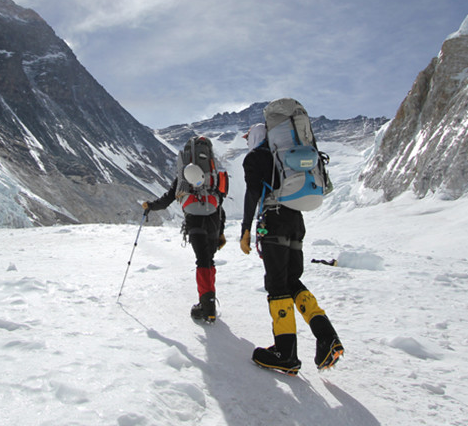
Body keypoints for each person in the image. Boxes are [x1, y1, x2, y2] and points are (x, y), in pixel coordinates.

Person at [240, 122, 344, 374]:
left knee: (277, 285)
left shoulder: (256, 156)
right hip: (296, 222)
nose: (247, 142)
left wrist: (244, 229)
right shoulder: (286, 156)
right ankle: (327, 336)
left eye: (248, 138)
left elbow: (253, 192)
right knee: (292, 281)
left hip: (273, 223)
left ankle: (285, 353)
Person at [142, 137, 227, 323]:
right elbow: (221, 203)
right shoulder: (213, 176)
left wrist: (150, 206)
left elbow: (167, 200)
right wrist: (221, 231)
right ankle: (209, 303)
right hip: (213, 218)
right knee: (209, 260)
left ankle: (206, 306)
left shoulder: (183, 178)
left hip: (194, 220)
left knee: (202, 261)